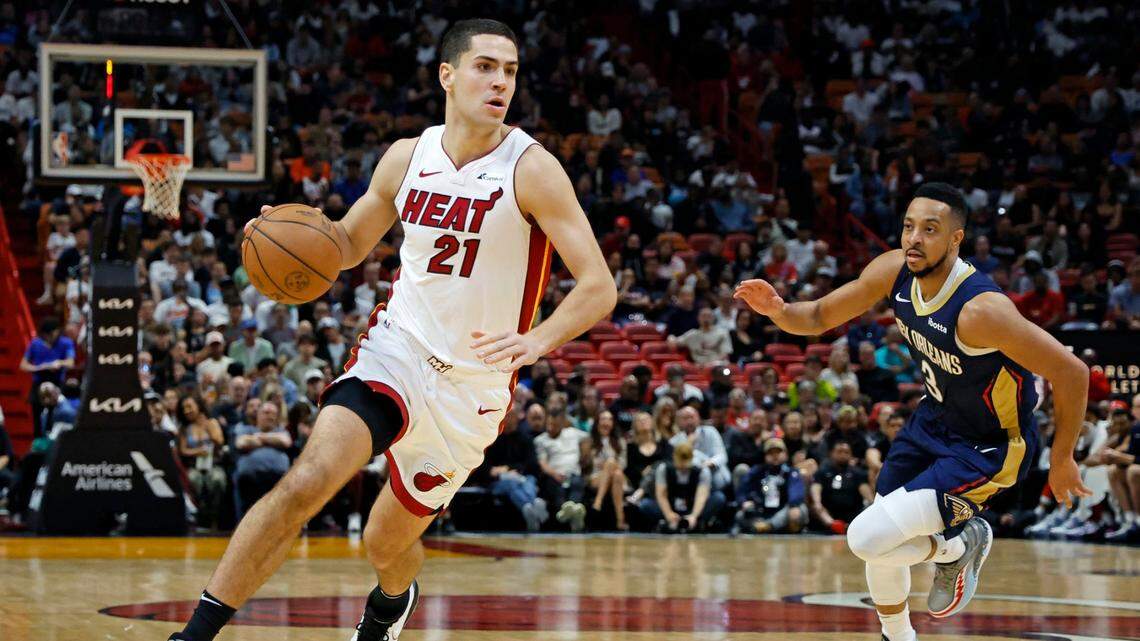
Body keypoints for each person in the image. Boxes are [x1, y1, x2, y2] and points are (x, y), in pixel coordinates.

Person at [168, 20, 617, 641]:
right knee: (307, 480)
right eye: (486, 66)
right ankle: (193, 636)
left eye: (510, 71)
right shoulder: (408, 156)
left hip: (471, 390)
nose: (500, 82)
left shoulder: (532, 169)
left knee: (385, 543)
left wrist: (537, 341)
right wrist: (296, 231)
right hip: (397, 350)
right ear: (448, 75)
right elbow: (347, 244)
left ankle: (392, 598)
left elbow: (599, 285)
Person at [735, 183, 1090, 641]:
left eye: (929, 229)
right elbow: (821, 315)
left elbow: (1073, 373)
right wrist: (778, 310)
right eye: (908, 227)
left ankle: (959, 544)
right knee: (882, 540)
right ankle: (897, 635)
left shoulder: (983, 311)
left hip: (989, 446)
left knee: (866, 538)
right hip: (932, 422)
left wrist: (1062, 460)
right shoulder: (894, 271)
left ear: (955, 239)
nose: (914, 239)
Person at [733, 438, 806, 534]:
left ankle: (768, 526)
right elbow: (742, 489)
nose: (775, 456)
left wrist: (793, 505)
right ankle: (763, 526)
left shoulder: (791, 472)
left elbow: (796, 492)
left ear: (786, 455)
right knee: (740, 515)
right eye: (771, 453)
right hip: (761, 511)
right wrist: (744, 502)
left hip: (782, 511)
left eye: (778, 452)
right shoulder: (757, 471)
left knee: (800, 509)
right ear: (765, 456)